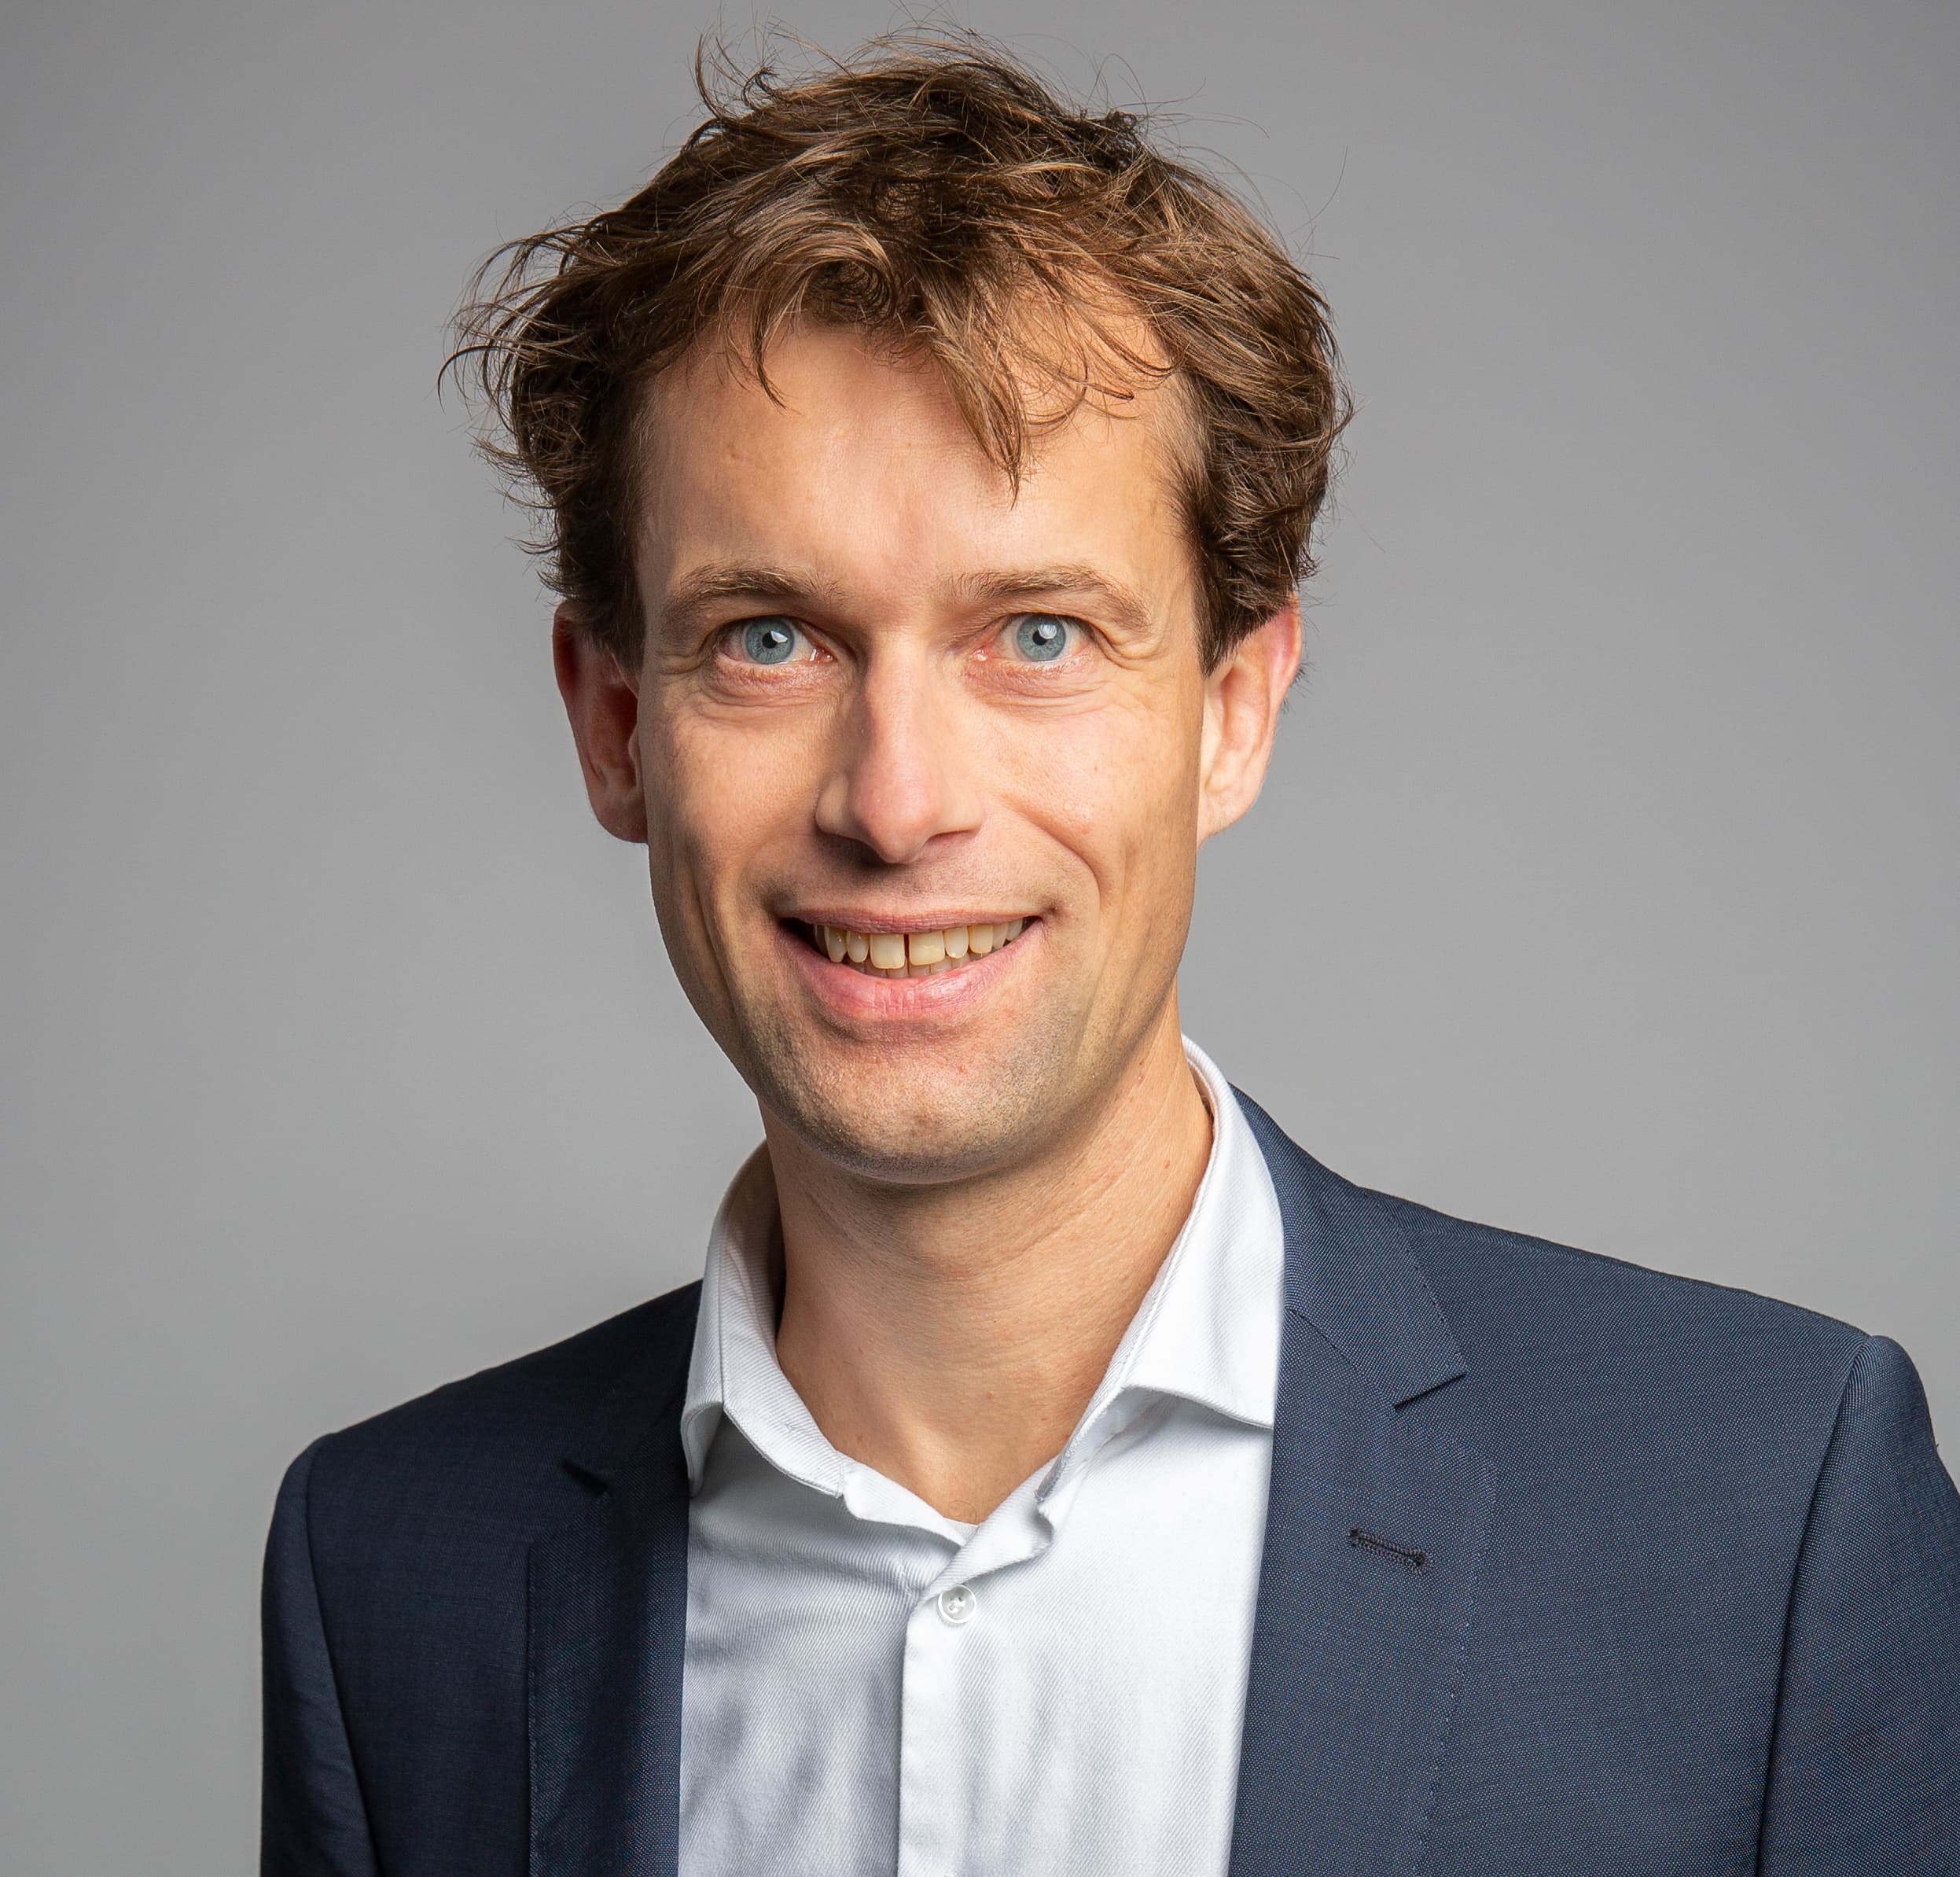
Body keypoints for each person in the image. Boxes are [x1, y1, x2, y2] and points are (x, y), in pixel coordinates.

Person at [260, 35, 1960, 1876]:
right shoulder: (390, 1577)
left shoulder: (1754, 1510)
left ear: (1232, 710)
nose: (896, 804)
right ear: (612, 723)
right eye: (768, 639)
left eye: (1040, 636)